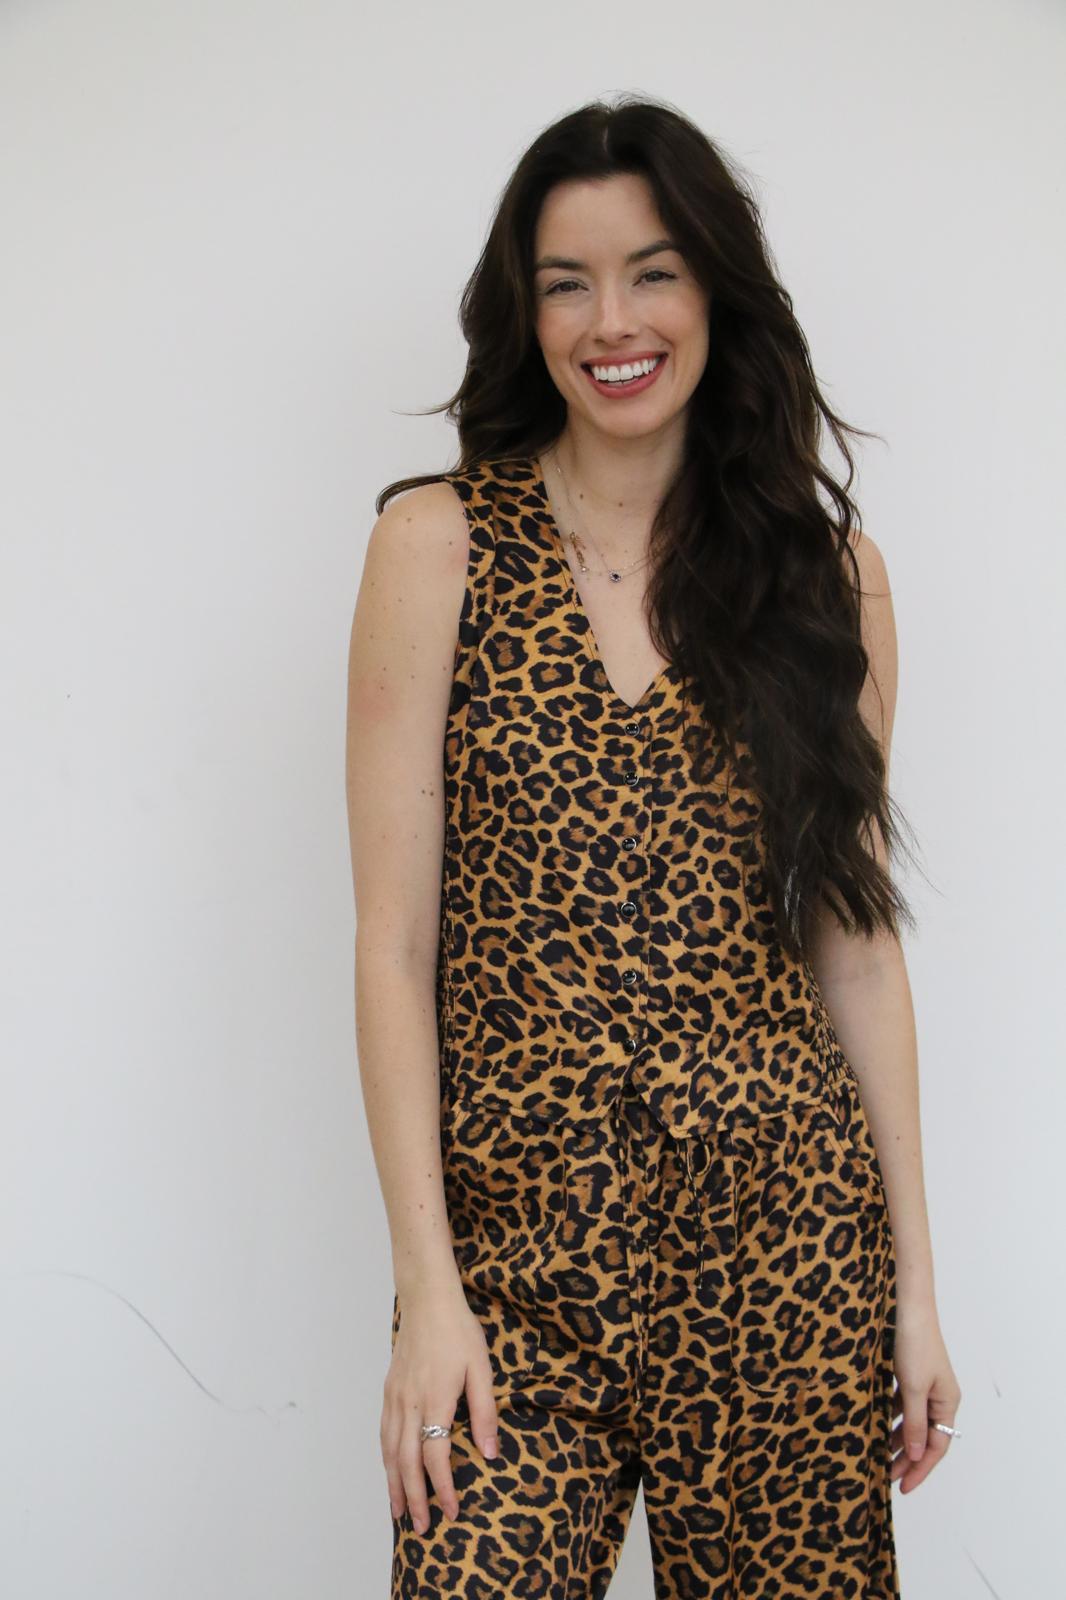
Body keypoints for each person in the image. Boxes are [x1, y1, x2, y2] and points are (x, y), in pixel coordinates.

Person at [345, 93, 961, 1600]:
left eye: (653, 272)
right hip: (517, 1278)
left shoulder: (828, 583)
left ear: (715, 291)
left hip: (784, 1253)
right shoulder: (438, 548)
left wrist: (914, 1291)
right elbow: (395, 947)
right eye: (567, 282)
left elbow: (854, 945)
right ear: (526, 312)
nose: (610, 322)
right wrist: (428, 1292)